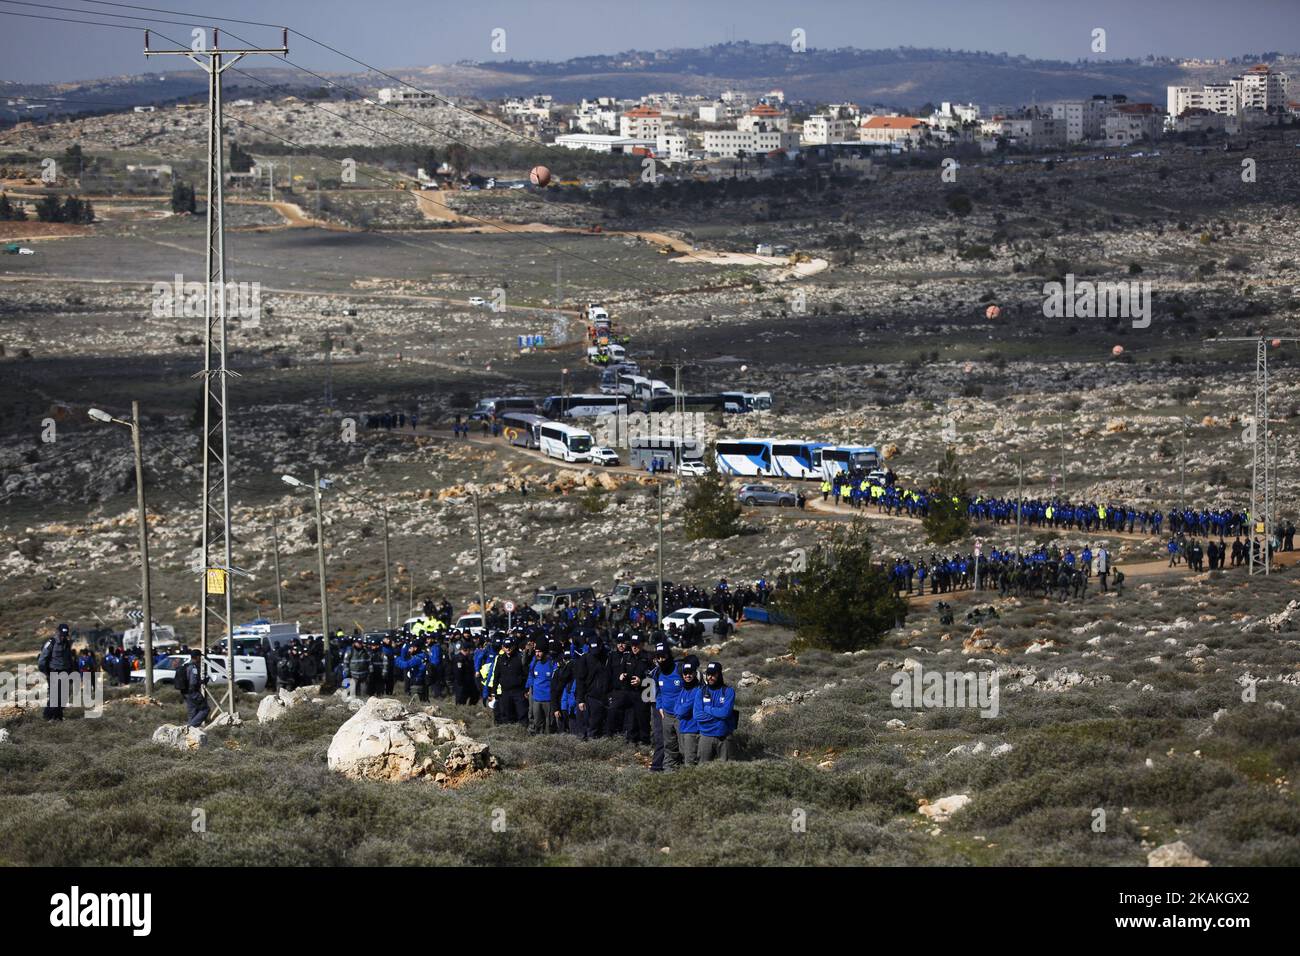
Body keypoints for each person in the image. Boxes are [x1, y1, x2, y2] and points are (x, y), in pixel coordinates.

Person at [650, 643, 683, 772]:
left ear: (669, 655)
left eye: (663, 656)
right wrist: (660, 707)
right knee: (669, 746)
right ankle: (669, 773)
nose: (661, 660)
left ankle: (689, 772)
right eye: (658, 657)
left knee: (685, 746)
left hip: (682, 715)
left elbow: (691, 689)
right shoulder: (657, 673)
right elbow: (657, 692)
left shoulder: (679, 669)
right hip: (666, 715)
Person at [696, 661, 736, 762]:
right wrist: (719, 716)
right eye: (708, 674)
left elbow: (725, 713)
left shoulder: (728, 691)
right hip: (705, 736)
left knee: (727, 769)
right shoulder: (701, 691)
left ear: (719, 674)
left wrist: (707, 709)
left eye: (713, 674)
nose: (710, 677)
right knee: (703, 769)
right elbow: (697, 715)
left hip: (724, 736)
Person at [36, 623, 76, 721]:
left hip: (65, 672)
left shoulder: (67, 643)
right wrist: (45, 671)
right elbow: (42, 658)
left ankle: (57, 716)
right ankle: (49, 716)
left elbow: (69, 658)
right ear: (58, 632)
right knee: (55, 696)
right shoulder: (51, 642)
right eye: (62, 635)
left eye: (65, 635)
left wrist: (72, 670)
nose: (63, 637)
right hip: (53, 672)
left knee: (64, 696)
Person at [673, 657, 702, 766]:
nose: (687, 676)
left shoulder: (698, 690)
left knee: (690, 760)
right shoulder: (684, 689)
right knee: (684, 755)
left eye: (690, 673)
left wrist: (679, 709)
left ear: (695, 673)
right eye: (685, 673)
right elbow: (676, 707)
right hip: (683, 728)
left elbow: (681, 711)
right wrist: (679, 709)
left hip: (692, 730)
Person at [525, 644, 557, 734]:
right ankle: (539, 739)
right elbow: (530, 675)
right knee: (538, 722)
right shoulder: (534, 662)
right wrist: (528, 687)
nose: (537, 654)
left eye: (539, 652)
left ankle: (549, 740)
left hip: (548, 698)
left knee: (549, 723)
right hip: (536, 698)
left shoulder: (551, 663)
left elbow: (556, 679)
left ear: (545, 652)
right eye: (536, 651)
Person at [180, 648, 209, 728]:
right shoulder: (193, 668)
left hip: (185, 692)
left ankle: (189, 734)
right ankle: (190, 727)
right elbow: (193, 682)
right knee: (205, 709)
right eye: (200, 657)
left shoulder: (186, 665)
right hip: (193, 693)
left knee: (192, 712)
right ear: (197, 657)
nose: (200, 659)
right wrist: (203, 681)